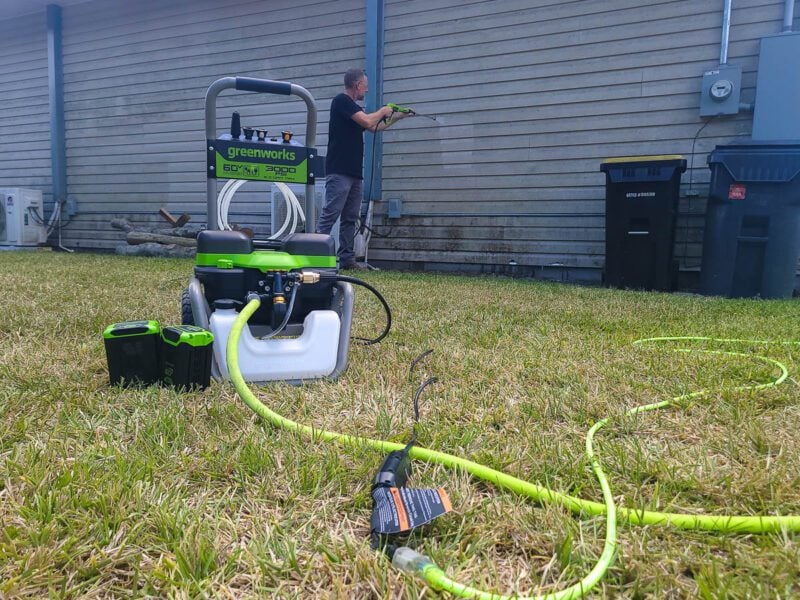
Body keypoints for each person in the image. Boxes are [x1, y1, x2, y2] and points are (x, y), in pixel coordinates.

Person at [316, 68, 411, 269]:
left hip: (354, 173)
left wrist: (398, 117)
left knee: (350, 218)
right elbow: (369, 120)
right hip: (339, 171)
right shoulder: (341, 101)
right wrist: (384, 110)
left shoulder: (353, 109)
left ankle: (347, 259)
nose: (366, 91)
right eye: (365, 87)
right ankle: (313, 255)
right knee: (331, 213)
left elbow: (374, 127)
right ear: (357, 85)